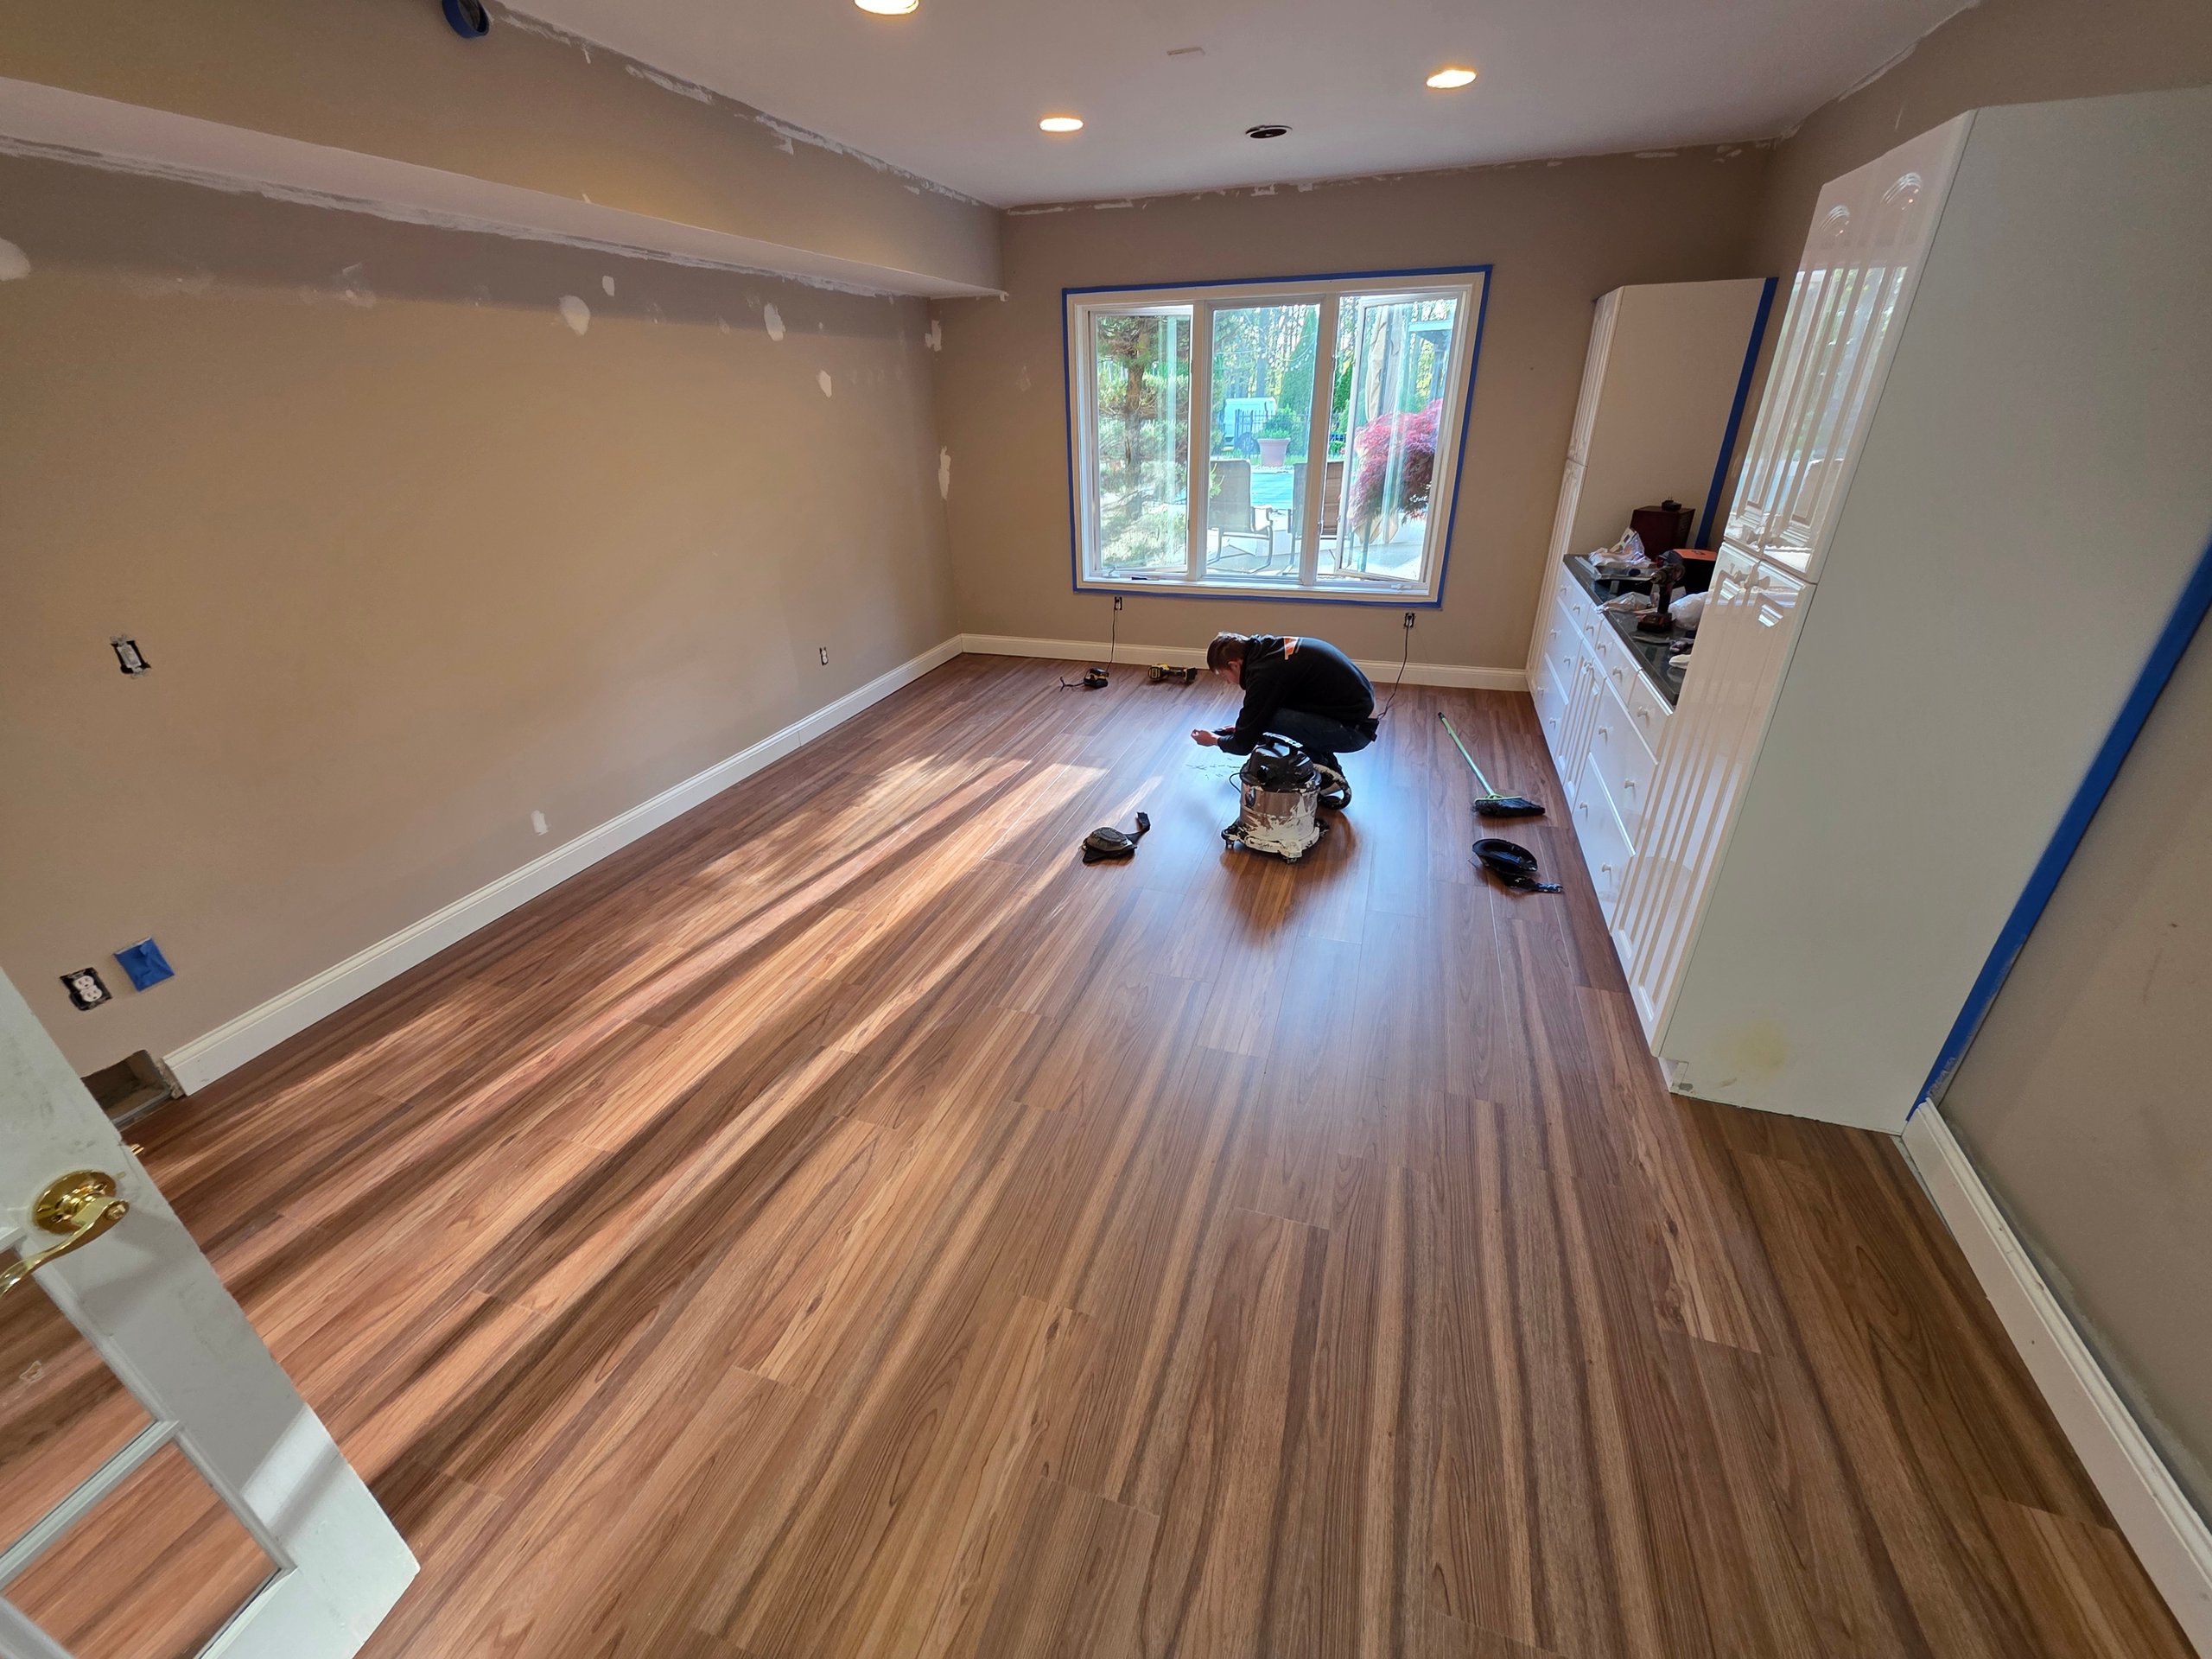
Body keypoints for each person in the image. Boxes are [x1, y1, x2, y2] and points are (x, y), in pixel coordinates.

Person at [1190, 632, 1377, 779]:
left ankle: (1322, 764)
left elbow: (1243, 745)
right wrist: (1245, 728)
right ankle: (1323, 761)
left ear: (1235, 665)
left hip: (1354, 733)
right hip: (1355, 717)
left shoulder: (1264, 675)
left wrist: (1214, 740)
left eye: (1224, 676)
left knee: (1270, 716)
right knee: (1265, 714)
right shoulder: (1270, 651)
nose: (1228, 682)